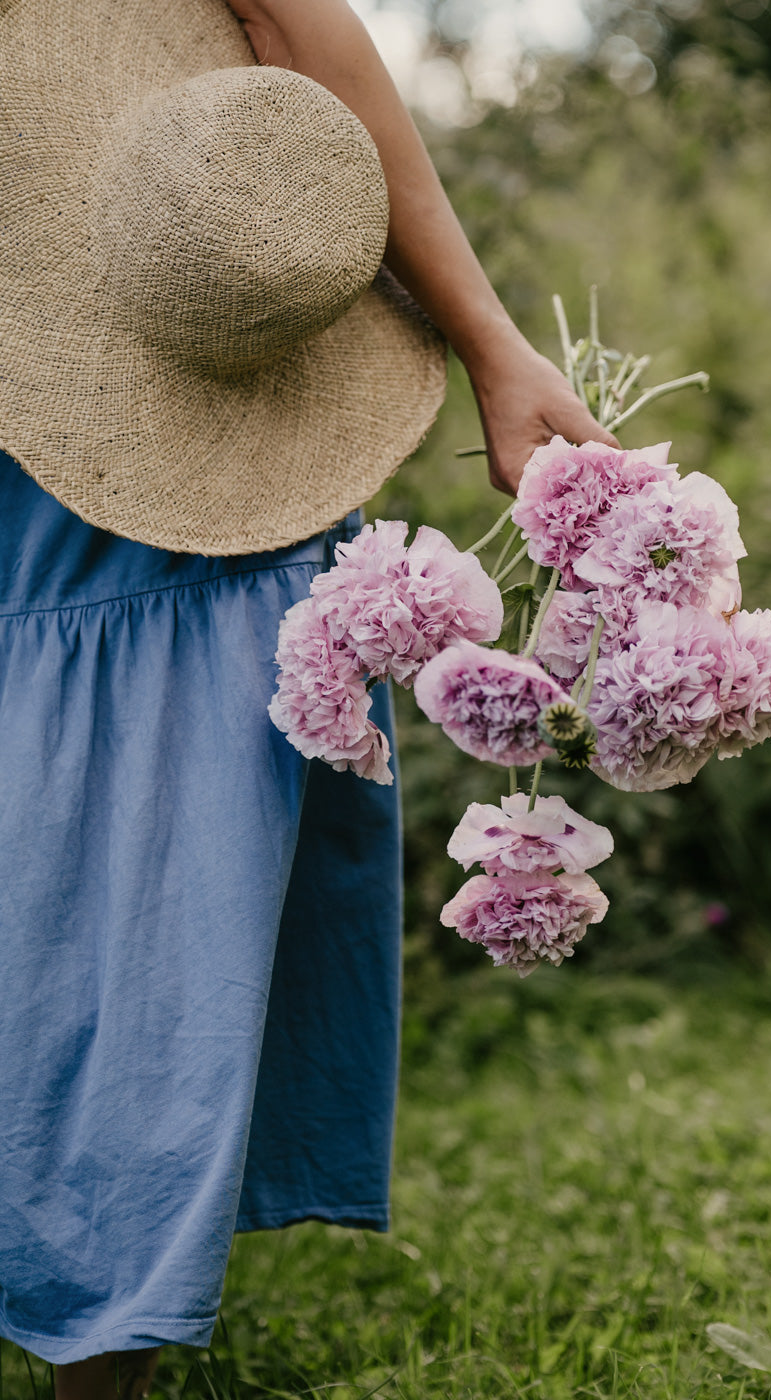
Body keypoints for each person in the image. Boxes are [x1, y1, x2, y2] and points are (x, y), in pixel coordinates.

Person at [0, 2, 616, 1397]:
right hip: (88, 371)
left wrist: (496, 347)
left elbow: (299, 25)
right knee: (129, 872)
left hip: (160, 339)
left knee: (138, 886)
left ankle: (102, 1333)